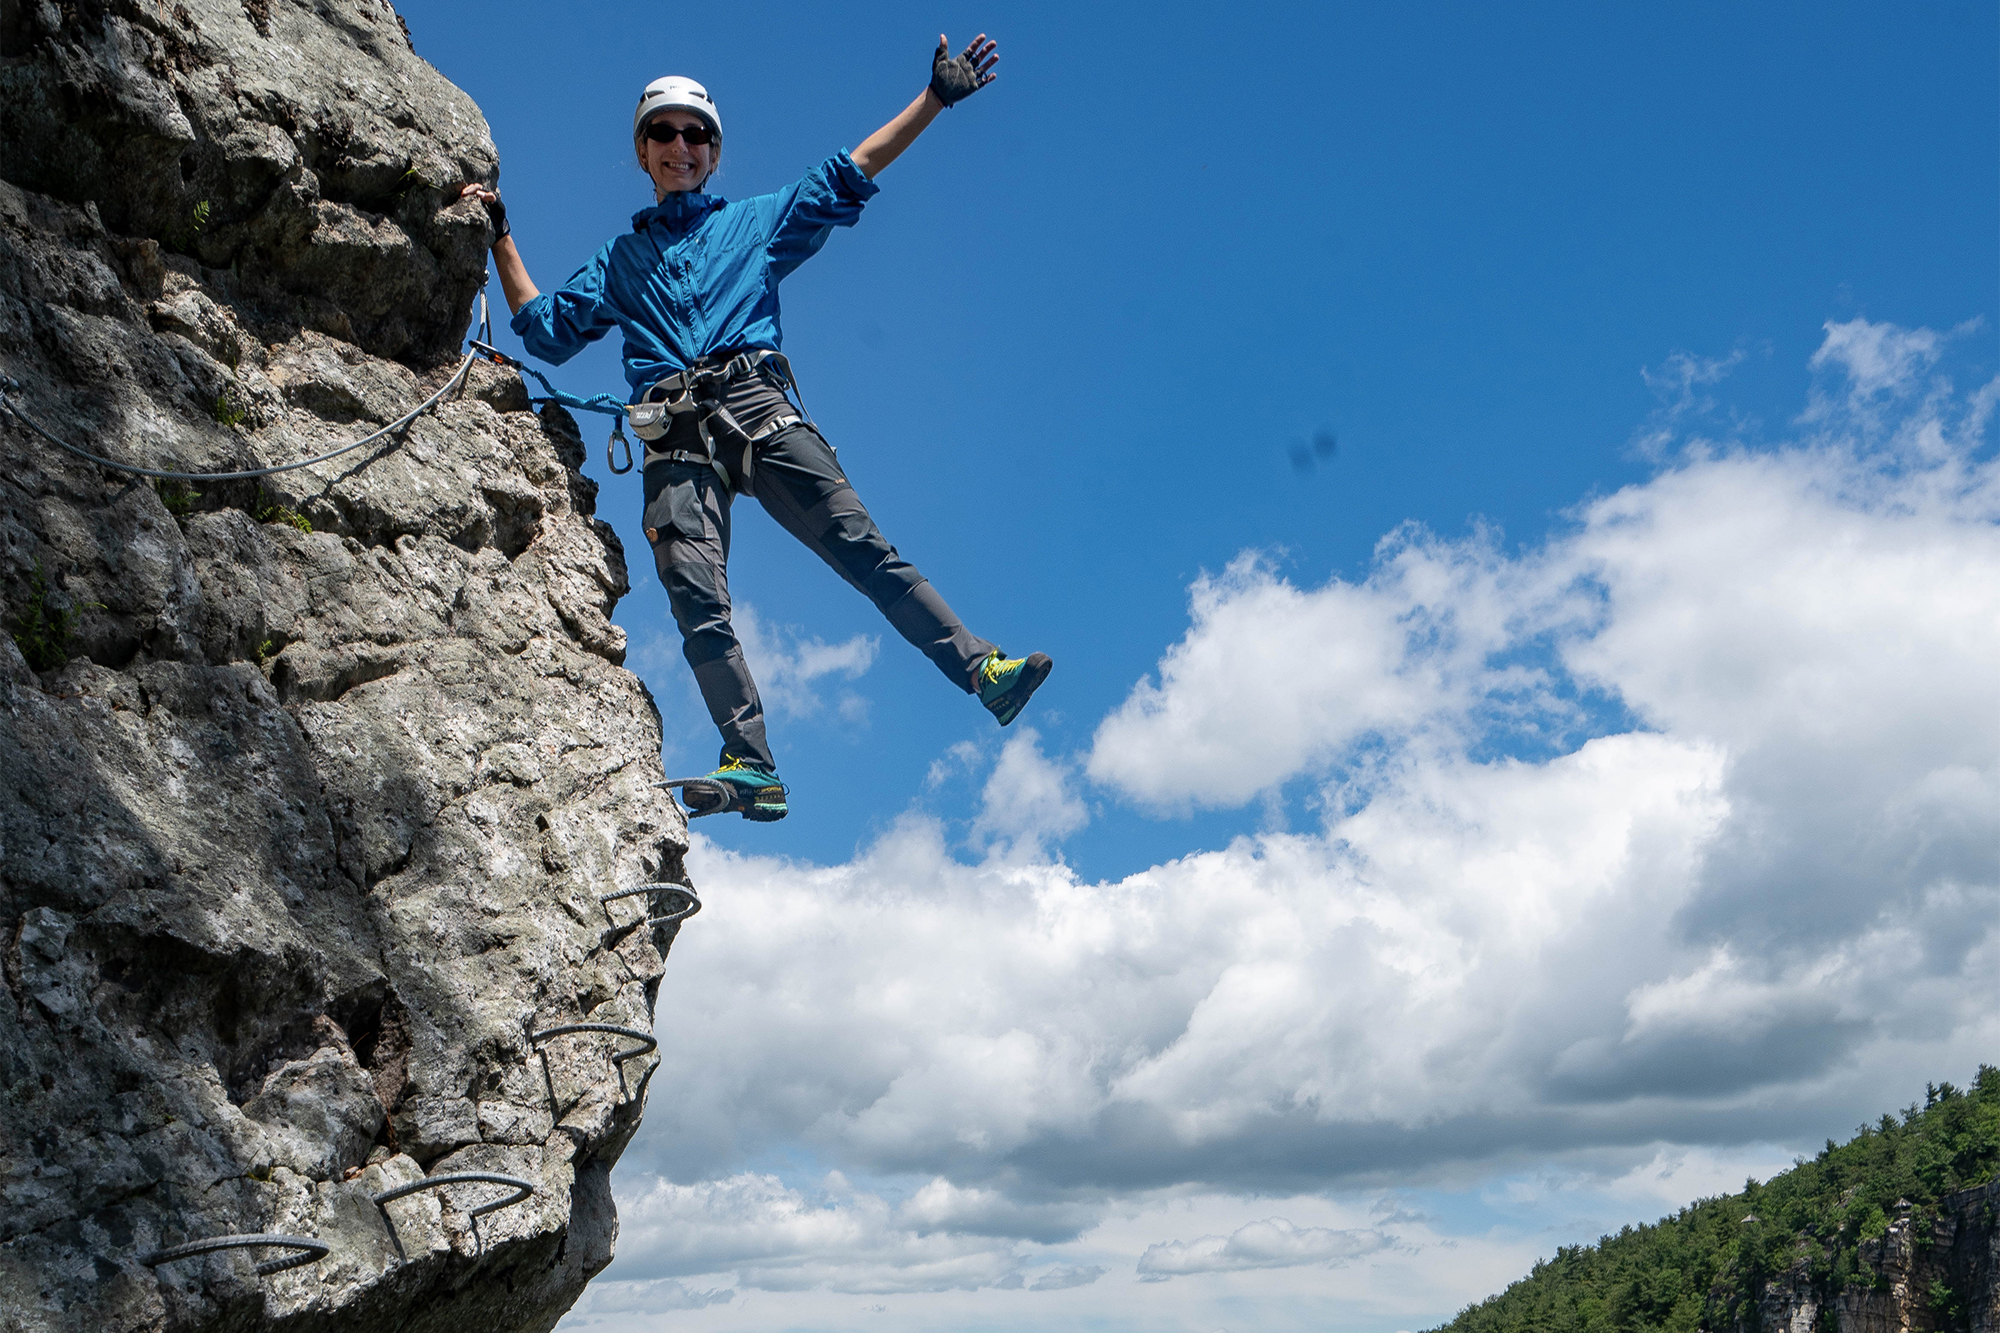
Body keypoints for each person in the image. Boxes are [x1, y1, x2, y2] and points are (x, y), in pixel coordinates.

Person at [462, 35, 1049, 824]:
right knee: (695, 597)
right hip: (674, 434)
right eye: (665, 133)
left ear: (713, 152)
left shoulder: (756, 224)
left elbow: (853, 169)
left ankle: (983, 671)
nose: (681, 146)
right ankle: (752, 763)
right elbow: (545, 327)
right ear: (643, 152)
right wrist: (500, 234)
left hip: (758, 409)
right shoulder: (620, 261)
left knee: (863, 549)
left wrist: (935, 100)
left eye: (696, 134)